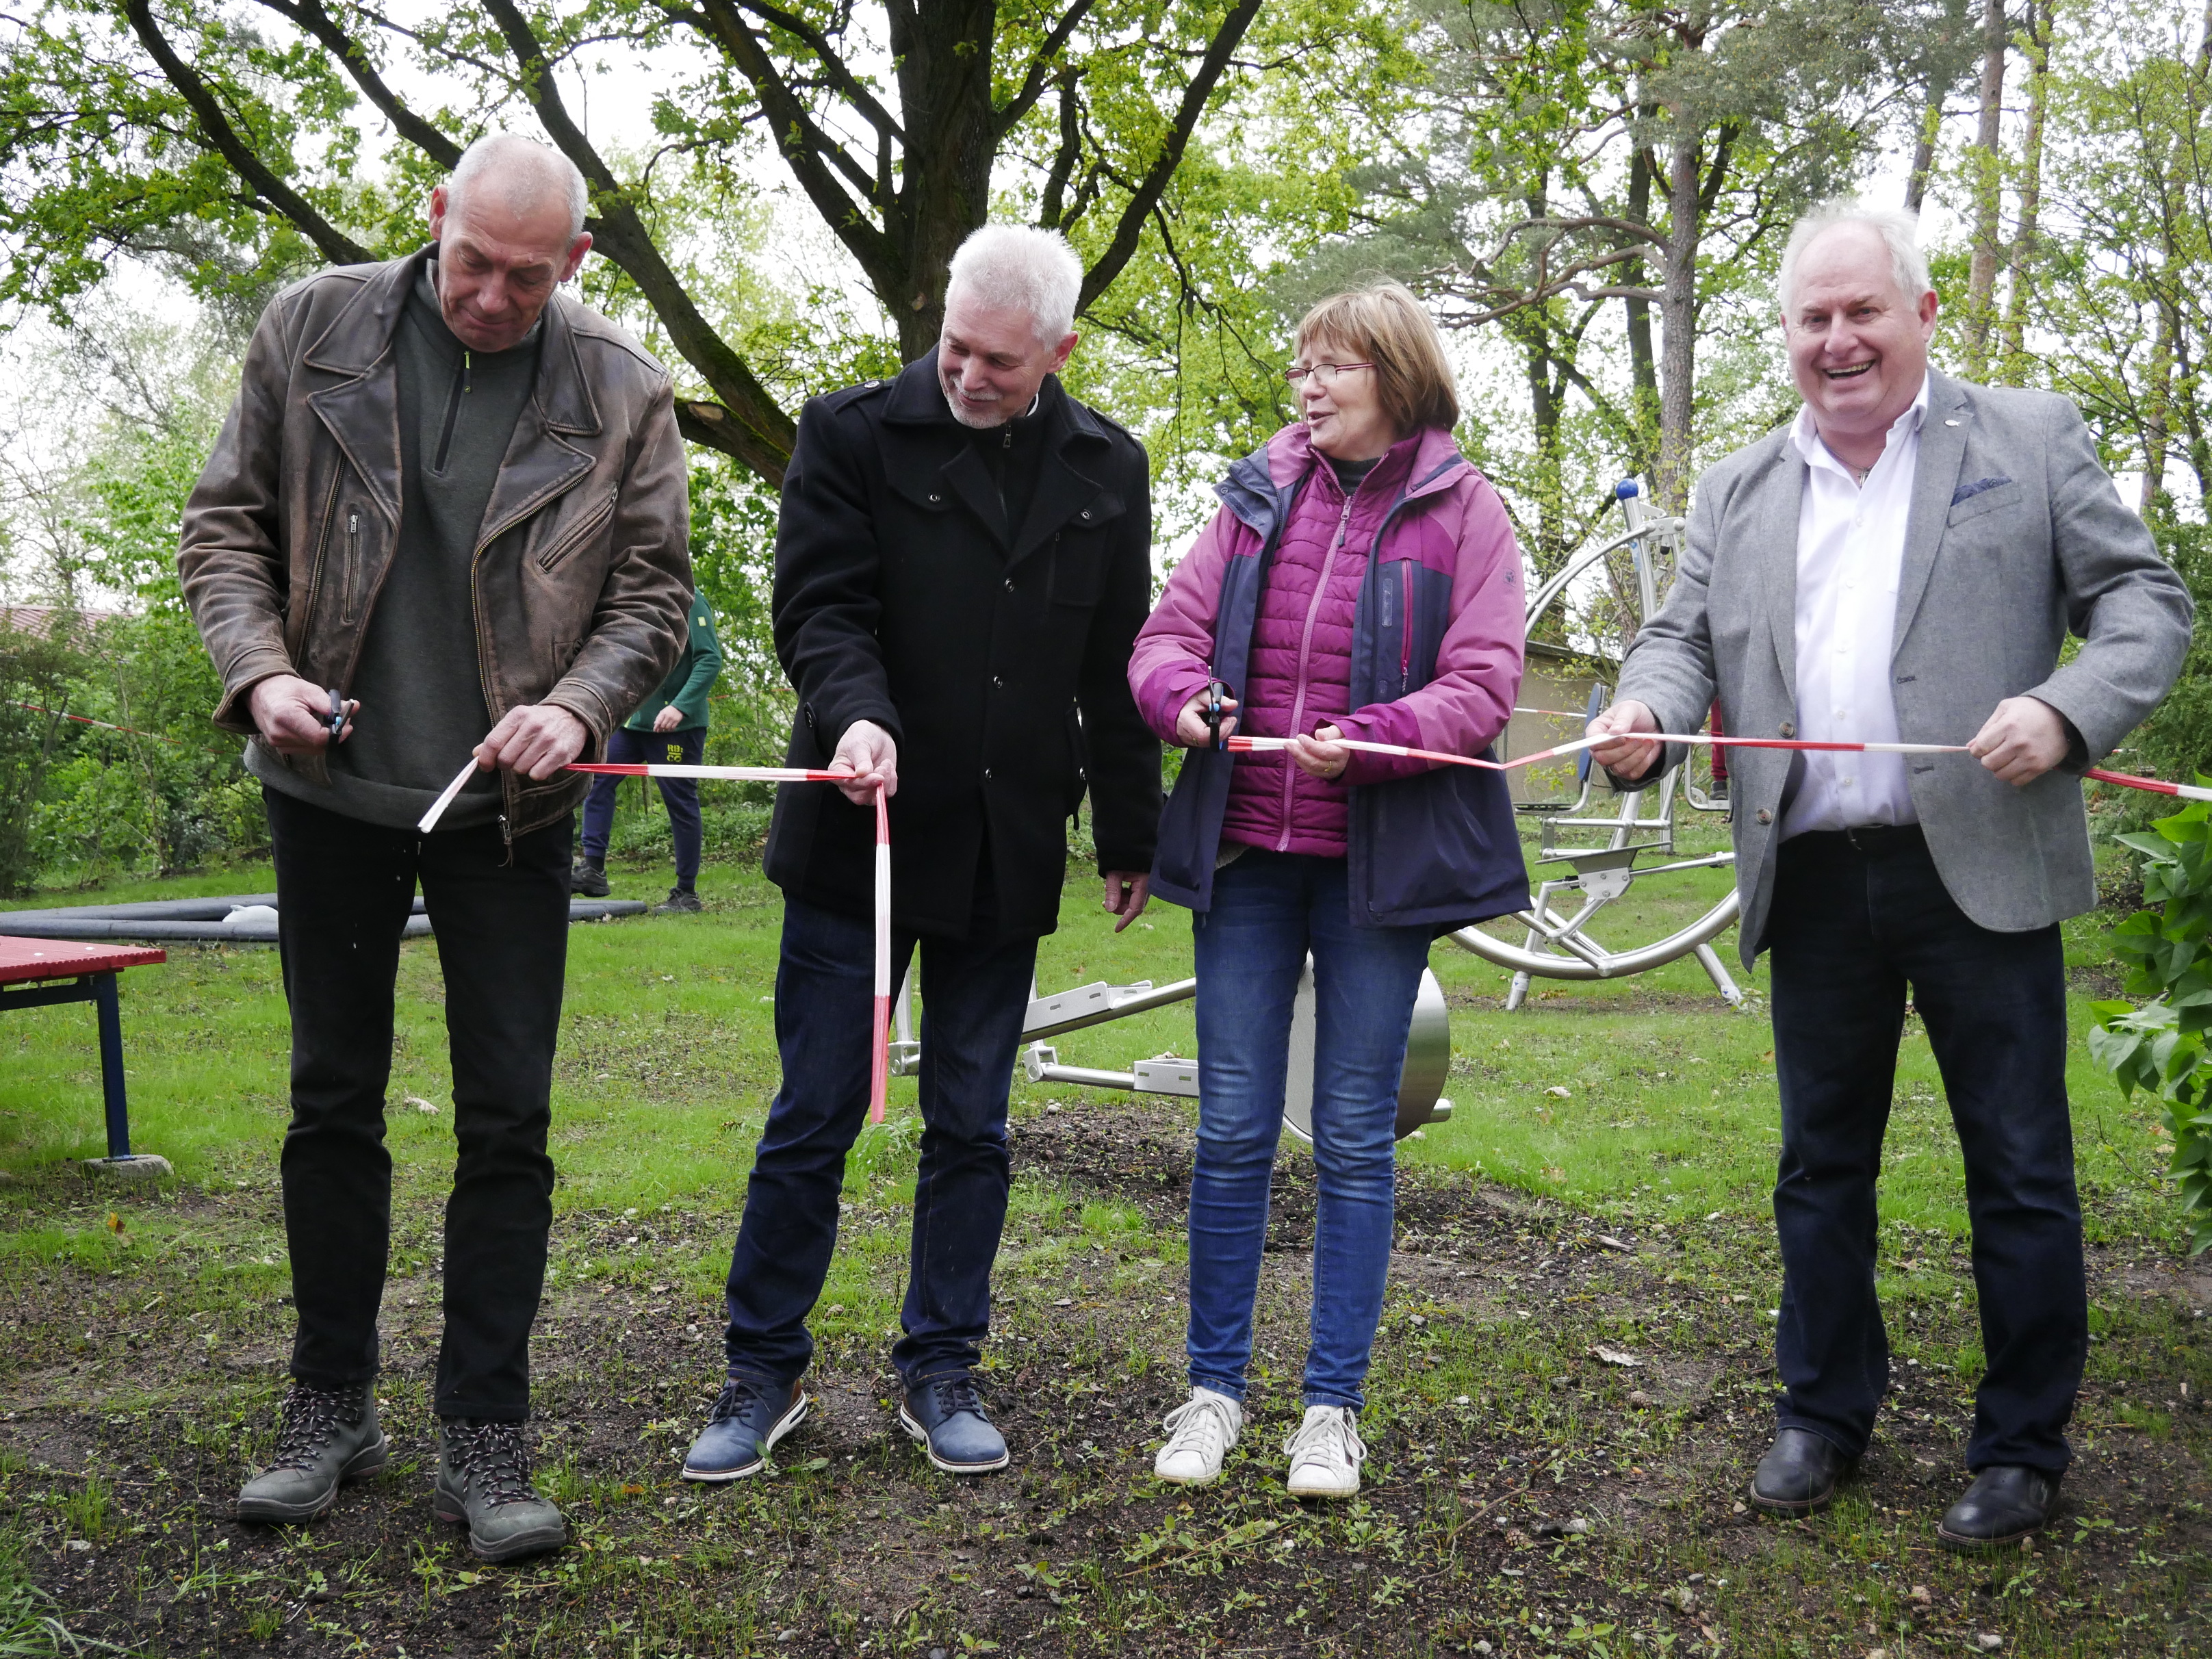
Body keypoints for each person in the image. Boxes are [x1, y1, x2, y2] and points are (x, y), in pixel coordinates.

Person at [1589, 198, 2192, 1548]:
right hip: (1810, 875)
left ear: (1921, 316)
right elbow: (1680, 645)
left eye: (1862, 311)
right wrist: (1644, 714)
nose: (1837, 339)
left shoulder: (2026, 440)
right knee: (1818, 1167)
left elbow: (2143, 604)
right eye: (1811, 318)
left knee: (2020, 1165)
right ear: (1785, 337)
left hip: (1979, 864)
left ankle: (2022, 1446)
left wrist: (2064, 709)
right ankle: (1820, 1414)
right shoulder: (1739, 487)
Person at [178, 133, 693, 1561]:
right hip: (329, 789)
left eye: (528, 275)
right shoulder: (313, 325)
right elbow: (224, 530)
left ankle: (486, 1430)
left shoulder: (622, 388)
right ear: (433, 221)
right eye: (473, 261)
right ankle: (326, 1408)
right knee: (331, 1097)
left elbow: (653, 598)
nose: (491, 294)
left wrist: (580, 706)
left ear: (575, 263)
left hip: (508, 815)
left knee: (507, 1121)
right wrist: (260, 673)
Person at [680, 224, 1160, 1483]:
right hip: (864, 835)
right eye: (954, 345)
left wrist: (1128, 824)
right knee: (814, 1110)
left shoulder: (1109, 467)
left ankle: (940, 1364)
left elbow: (1117, 660)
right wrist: (855, 711)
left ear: (1058, 350)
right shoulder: (849, 434)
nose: (969, 374)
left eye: (1000, 360)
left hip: (1006, 850)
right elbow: (817, 604)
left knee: (973, 1122)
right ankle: (761, 1367)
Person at [1126, 281, 1528, 1498]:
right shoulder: (1252, 501)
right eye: (1301, 367)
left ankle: (1330, 1408)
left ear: (1396, 377)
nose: (1308, 387)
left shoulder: (1465, 512)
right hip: (1244, 863)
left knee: (1353, 1136)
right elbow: (1162, 640)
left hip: (1374, 876)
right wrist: (1179, 702)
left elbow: (1485, 681)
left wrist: (1376, 736)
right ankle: (1212, 1391)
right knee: (1233, 1129)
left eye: (1334, 366)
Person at [574, 595, 723, 912]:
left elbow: (709, 659)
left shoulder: (692, 601)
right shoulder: (642, 599)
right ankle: (593, 870)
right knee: (598, 780)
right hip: (633, 723)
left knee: (680, 803)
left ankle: (686, 894)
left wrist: (680, 707)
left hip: (676, 728)